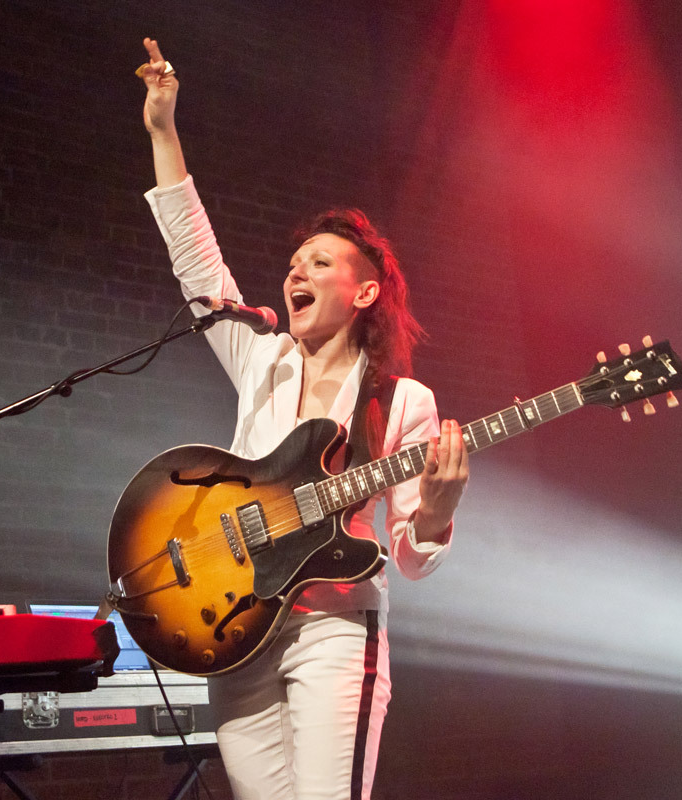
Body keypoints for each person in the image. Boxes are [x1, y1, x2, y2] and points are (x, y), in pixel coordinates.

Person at [136, 37, 469, 800]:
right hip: (238, 627)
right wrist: (163, 130)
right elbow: (196, 262)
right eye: (295, 262)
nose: (297, 271)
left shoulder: (403, 403)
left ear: (363, 293)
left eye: (321, 263)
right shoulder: (261, 357)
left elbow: (411, 561)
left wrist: (439, 514)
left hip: (335, 628)